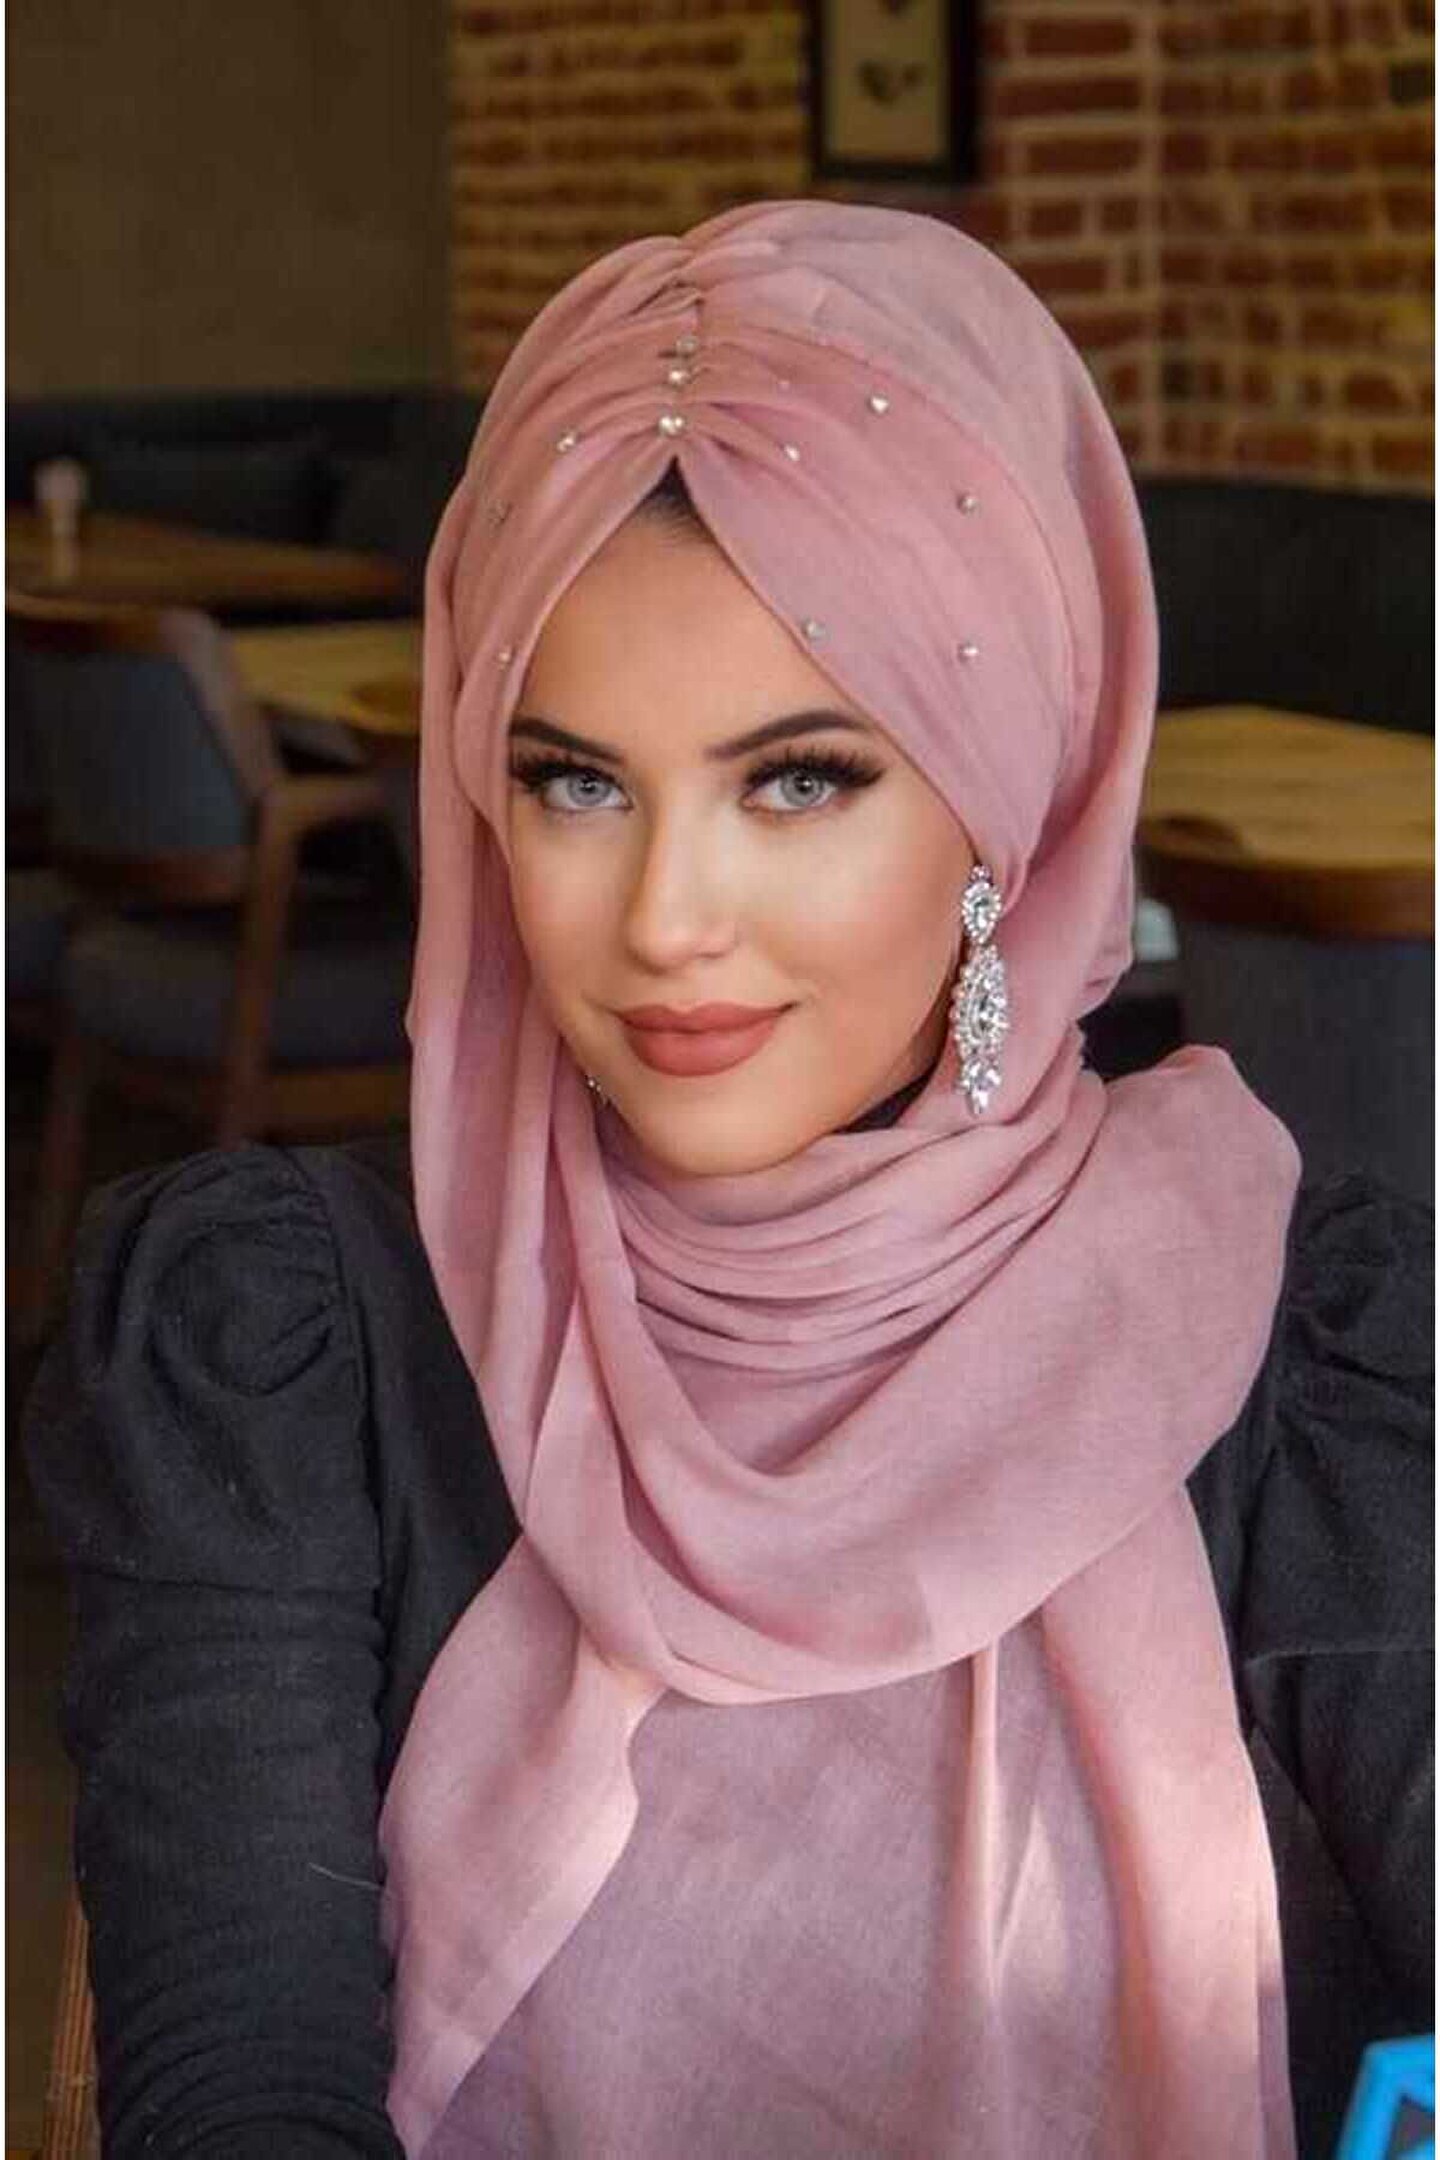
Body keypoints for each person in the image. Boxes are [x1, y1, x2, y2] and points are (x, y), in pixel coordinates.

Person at [25, 201, 1431, 2160]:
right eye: (576, 782)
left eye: (799, 779)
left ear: (1004, 812)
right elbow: (239, 2085)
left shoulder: (1315, 1364)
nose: (666, 919)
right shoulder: (273, 1342)